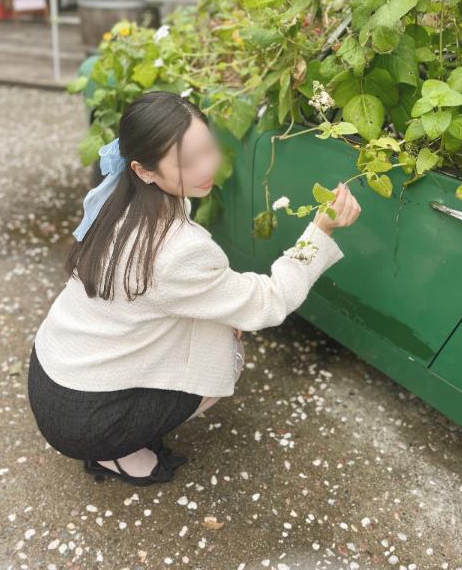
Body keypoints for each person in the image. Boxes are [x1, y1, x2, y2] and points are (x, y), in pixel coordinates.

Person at [26, 90, 361, 486]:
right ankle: (113, 451)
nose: (207, 168)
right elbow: (269, 302)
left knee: (218, 324)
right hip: (86, 418)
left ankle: (115, 438)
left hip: (52, 372)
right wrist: (320, 231)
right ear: (145, 169)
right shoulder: (178, 248)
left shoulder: (119, 198)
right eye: (187, 161)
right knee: (226, 352)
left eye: (207, 149)